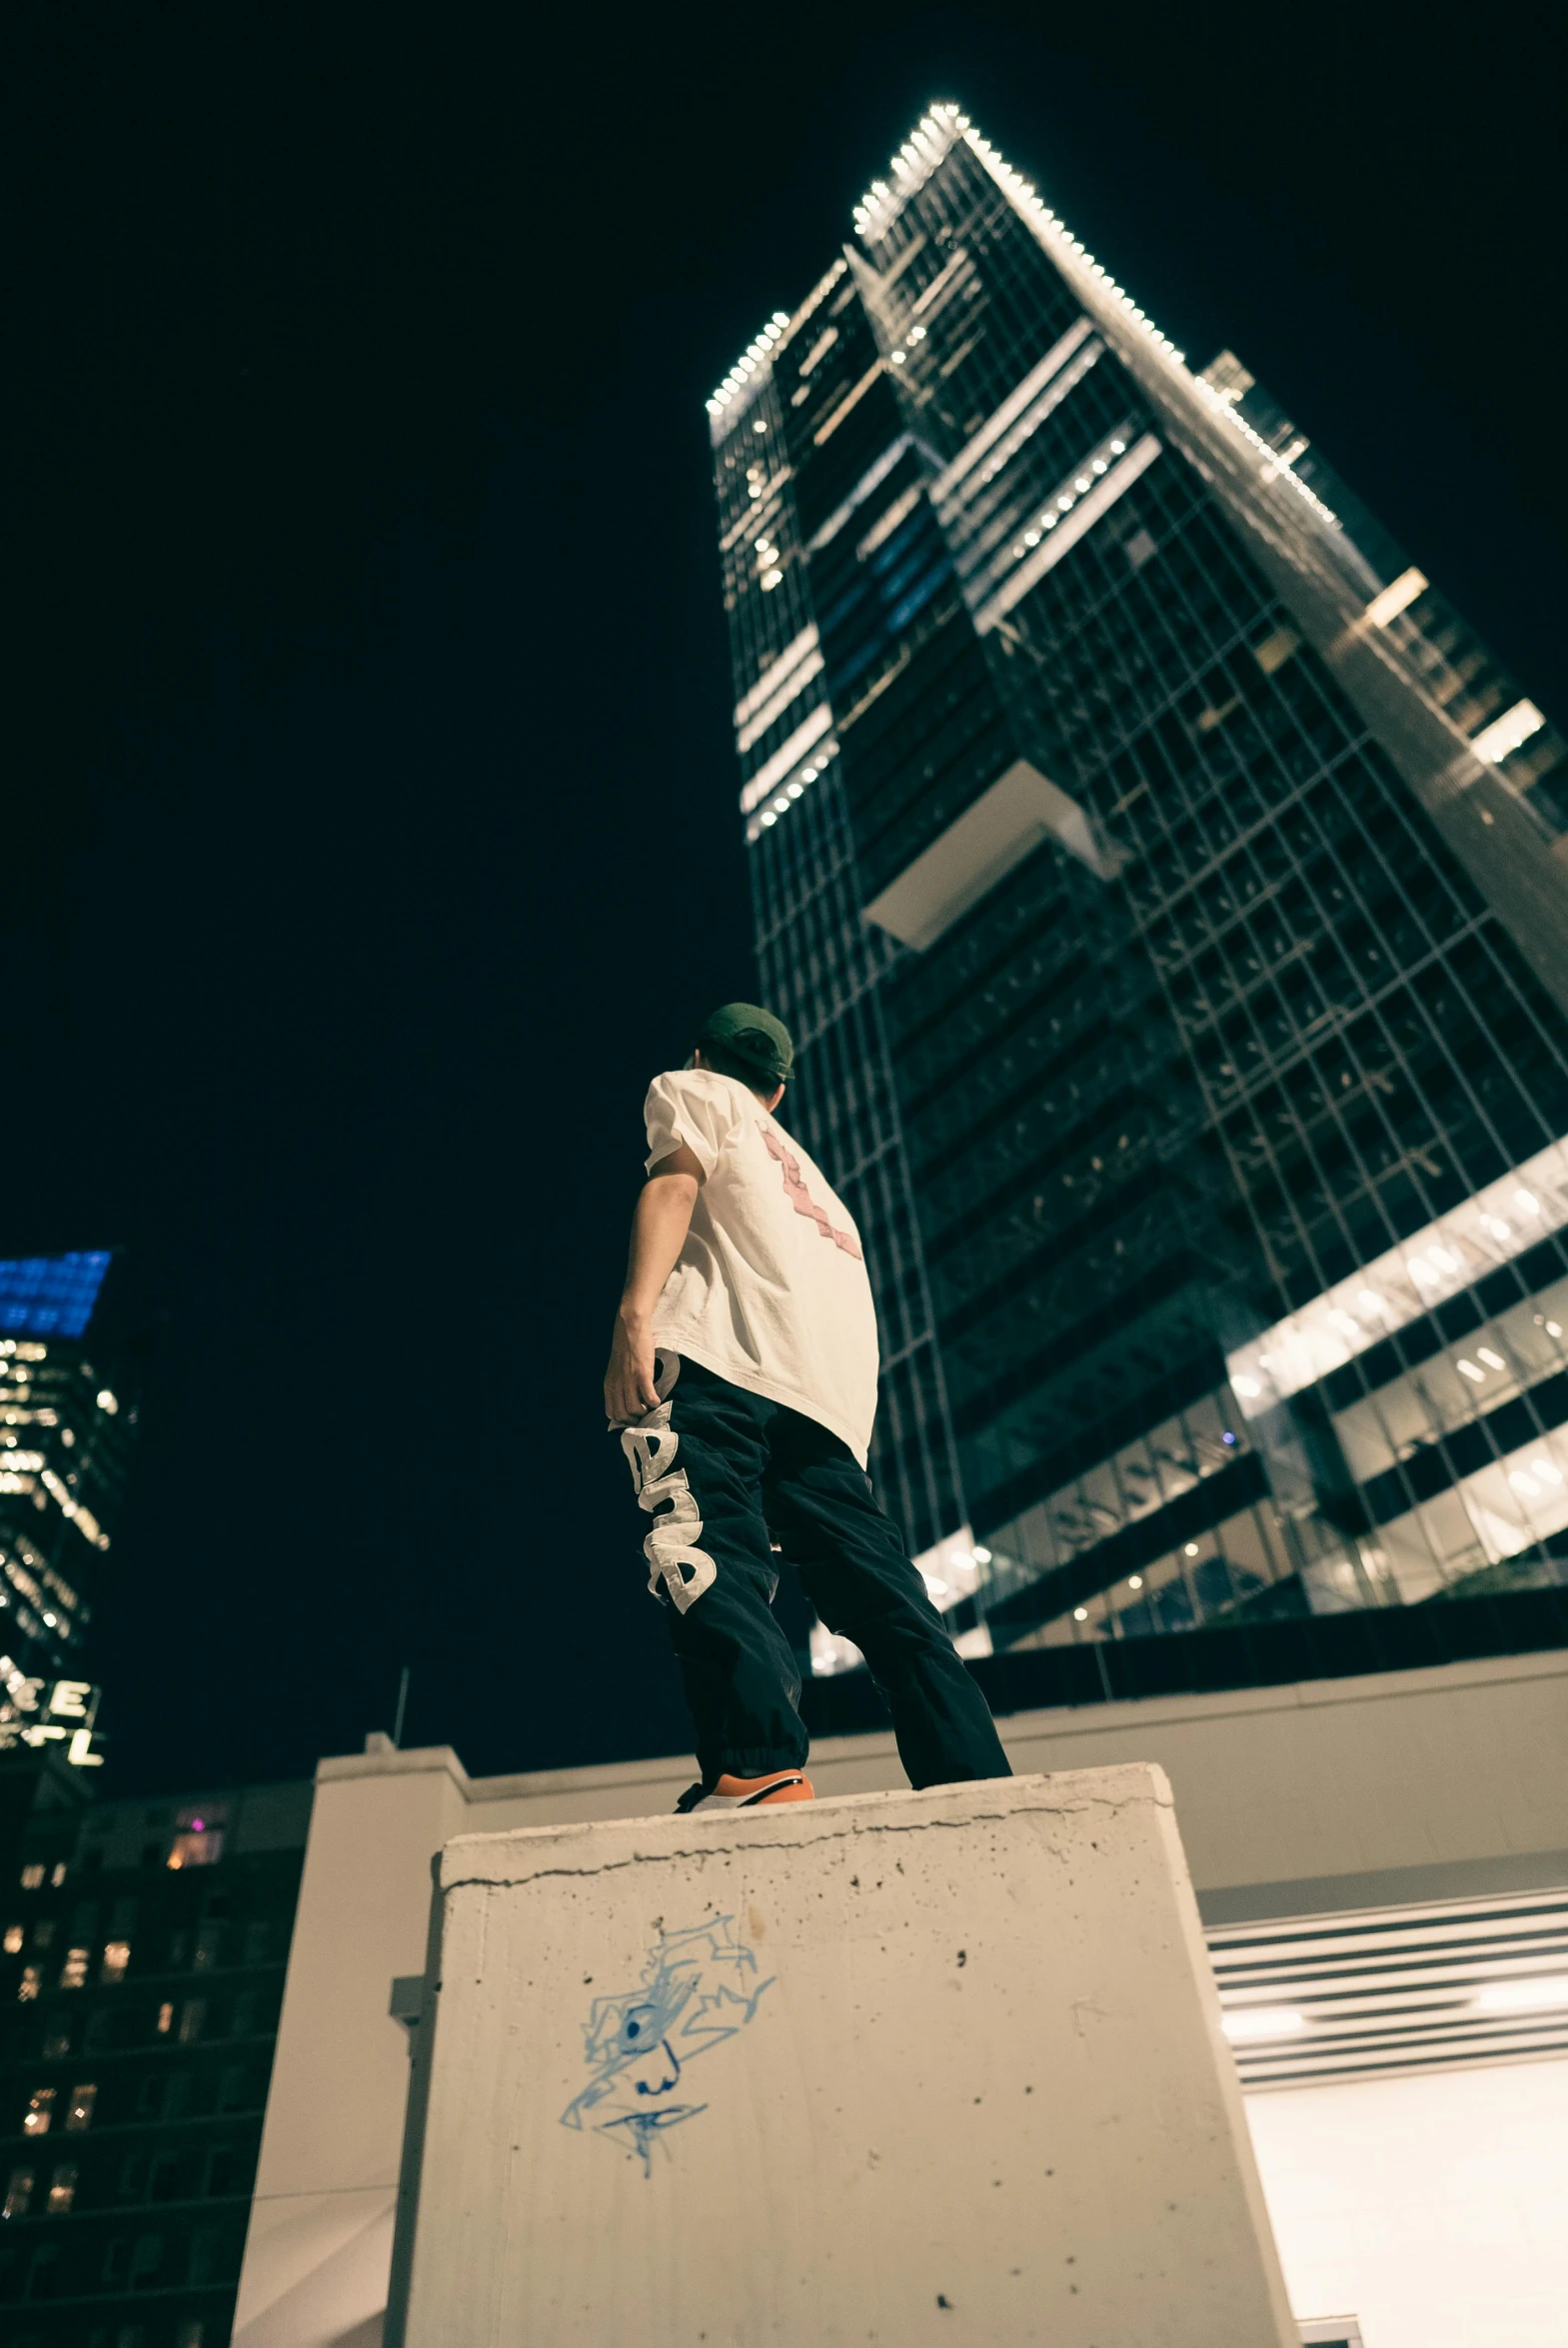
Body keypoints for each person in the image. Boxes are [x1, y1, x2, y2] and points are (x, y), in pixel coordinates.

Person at [604, 1000, 1012, 1813]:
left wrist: (634, 1316)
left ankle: (756, 1766)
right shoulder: (830, 1203)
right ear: (779, 1092)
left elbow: (675, 1186)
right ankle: (970, 1778)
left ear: (699, 1055)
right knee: (886, 1596)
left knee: (710, 1543)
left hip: (720, 1367)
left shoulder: (692, 1090)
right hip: (823, 1411)